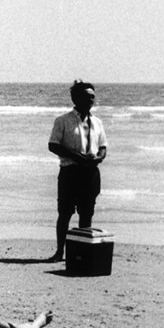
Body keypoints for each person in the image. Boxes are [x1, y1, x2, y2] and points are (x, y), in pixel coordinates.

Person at [47, 80, 108, 262]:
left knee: (86, 214)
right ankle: (60, 252)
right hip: (70, 172)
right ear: (76, 98)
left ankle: (81, 253)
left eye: (93, 97)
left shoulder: (97, 122)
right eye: (87, 97)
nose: (91, 101)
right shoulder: (62, 121)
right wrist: (76, 156)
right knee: (65, 214)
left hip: (90, 173)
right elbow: (53, 145)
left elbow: (103, 147)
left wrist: (99, 158)